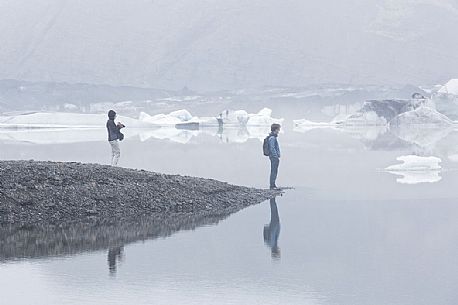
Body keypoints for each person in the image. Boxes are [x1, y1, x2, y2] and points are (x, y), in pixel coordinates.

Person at [268, 123, 281, 189]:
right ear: (275, 129)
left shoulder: (272, 137)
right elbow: (272, 148)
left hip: (273, 157)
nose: (279, 130)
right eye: (278, 129)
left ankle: (273, 184)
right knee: (274, 171)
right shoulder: (272, 138)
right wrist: (276, 156)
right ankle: (272, 185)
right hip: (274, 157)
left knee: (274, 170)